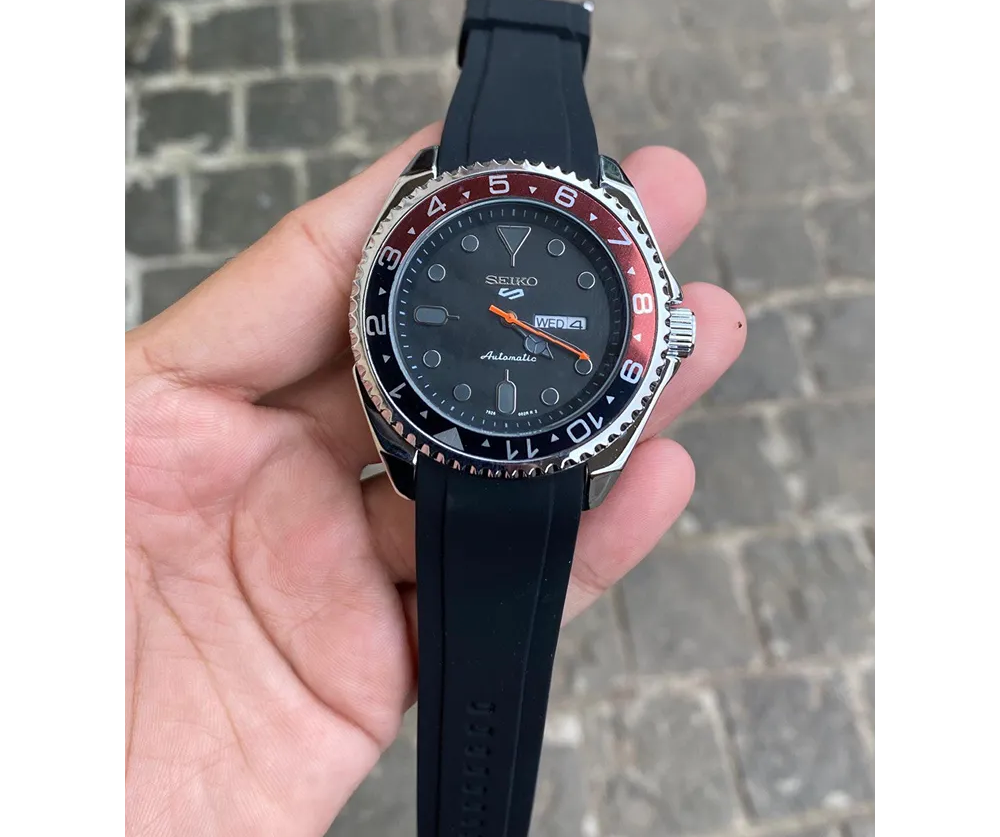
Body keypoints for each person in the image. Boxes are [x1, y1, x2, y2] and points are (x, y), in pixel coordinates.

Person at [122, 124, 746, 837]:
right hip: (445, 450)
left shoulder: (465, 213)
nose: (510, 319)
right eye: (504, 317)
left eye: (515, 319)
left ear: (669, 334)